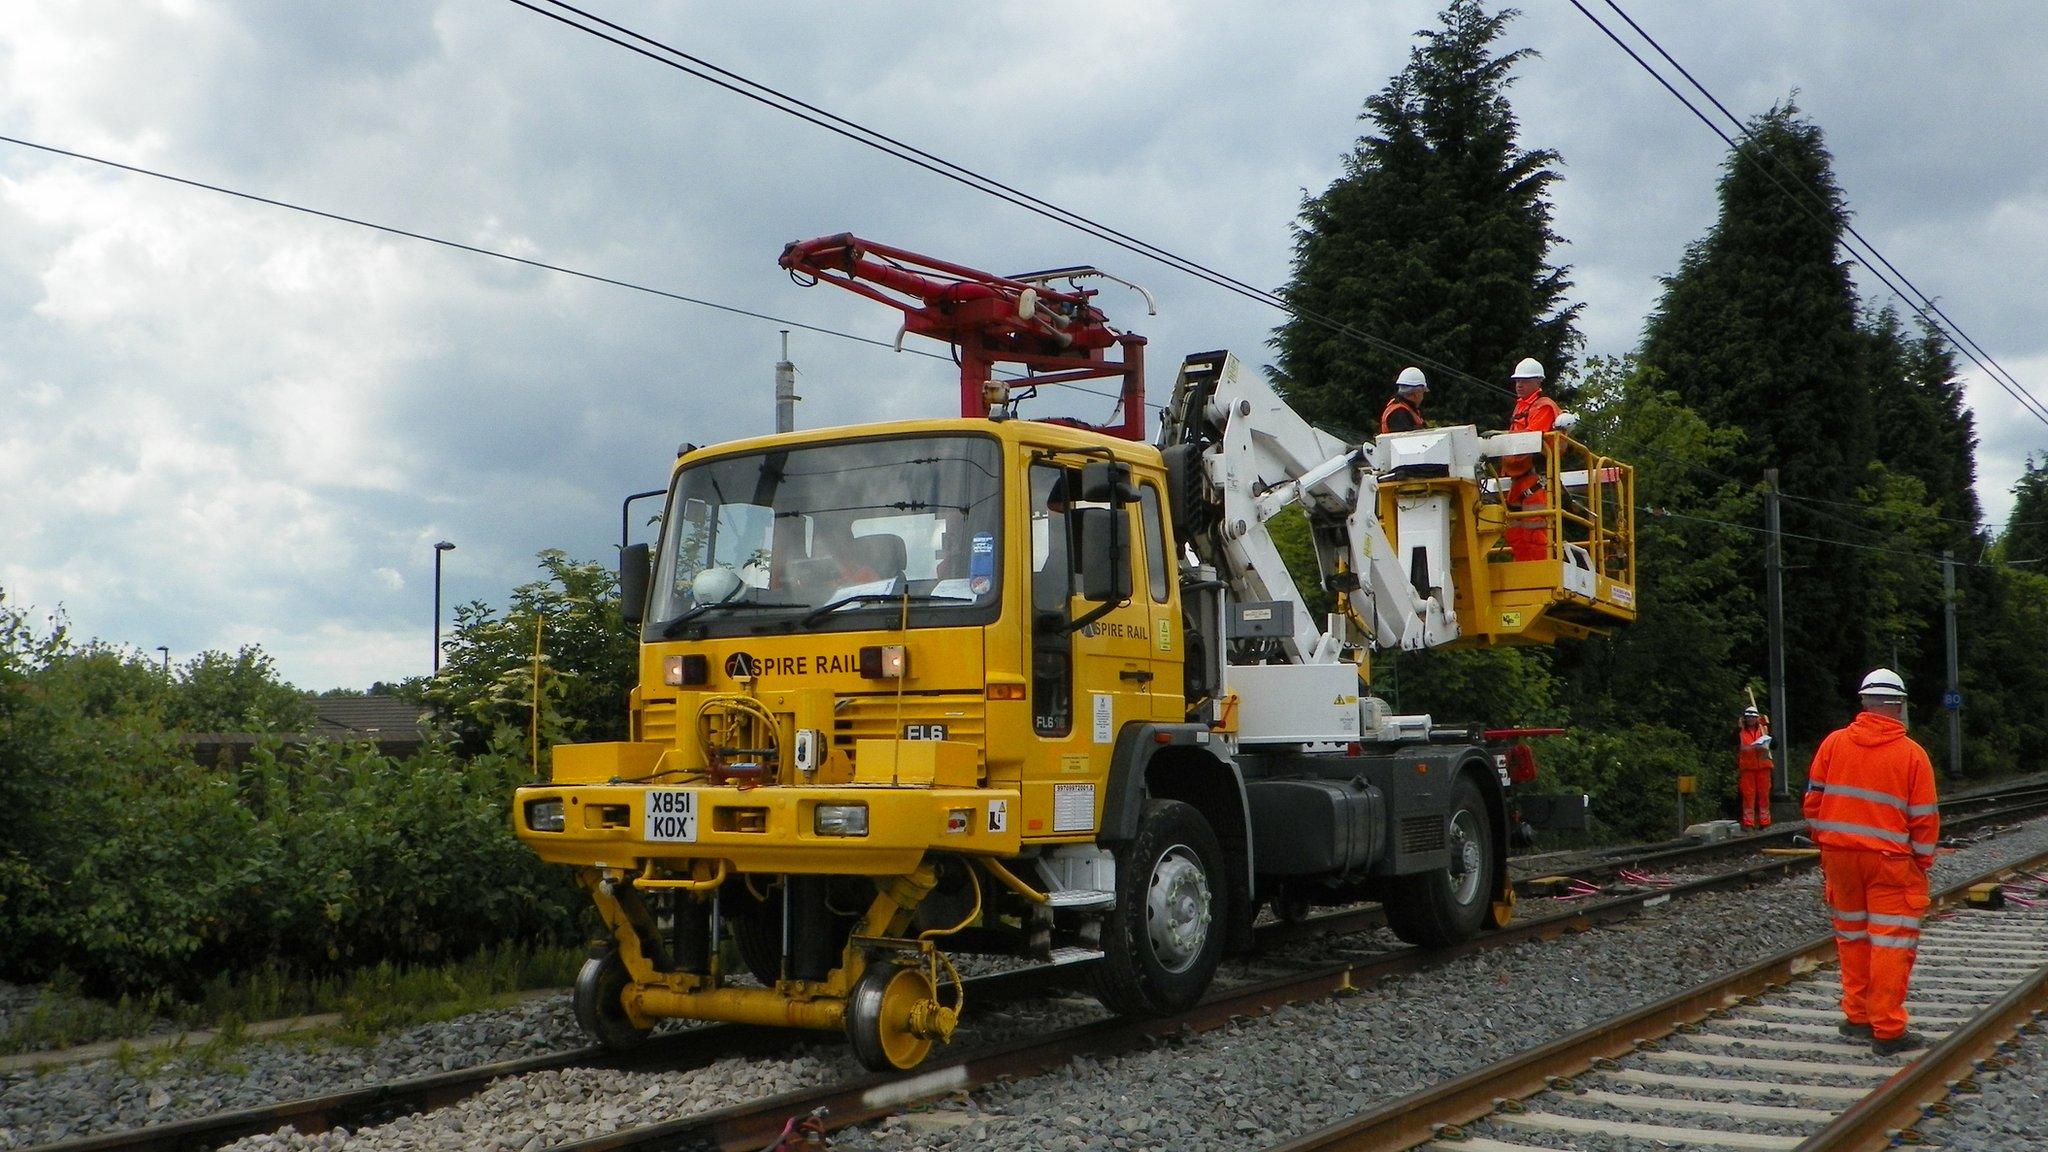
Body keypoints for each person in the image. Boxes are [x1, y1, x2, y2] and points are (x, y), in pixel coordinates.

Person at [1802, 667, 1939, 1056]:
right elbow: (1924, 818)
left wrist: (1827, 841)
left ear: (1864, 703)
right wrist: (1922, 862)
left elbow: (1813, 801)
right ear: (1898, 706)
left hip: (1839, 859)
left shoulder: (1833, 744)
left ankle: (1858, 1017)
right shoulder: (1912, 755)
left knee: (1852, 937)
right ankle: (1888, 1029)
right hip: (1890, 863)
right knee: (1890, 943)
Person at [1501, 357, 1559, 562]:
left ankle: (1539, 571)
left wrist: (1501, 438)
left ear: (1538, 382)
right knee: (1515, 532)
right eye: (1517, 381)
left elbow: (1531, 438)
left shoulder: (1543, 406)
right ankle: (1523, 569)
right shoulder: (1521, 407)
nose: (1519, 384)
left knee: (1536, 531)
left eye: (1524, 380)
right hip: (1518, 481)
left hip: (1535, 481)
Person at [1737, 705, 1775, 828]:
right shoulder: (1740, 732)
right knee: (1748, 796)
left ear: (1757, 718)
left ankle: (1765, 822)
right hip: (1748, 768)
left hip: (1763, 767)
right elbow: (1733, 742)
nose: (1751, 720)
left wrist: (1768, 738)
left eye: (1753, 717)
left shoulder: (1763, 730)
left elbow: (1775, 745)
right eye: (1748, 717)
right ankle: (1749, 822)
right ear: (1745, 719)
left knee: (1764, 795)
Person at [1379, 366, 1430, 435]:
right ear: (1417, 392)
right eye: (1423, 392)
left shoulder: (1405, 409)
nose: (1423, 396)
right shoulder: (1399, 413)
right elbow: (1405, 442)